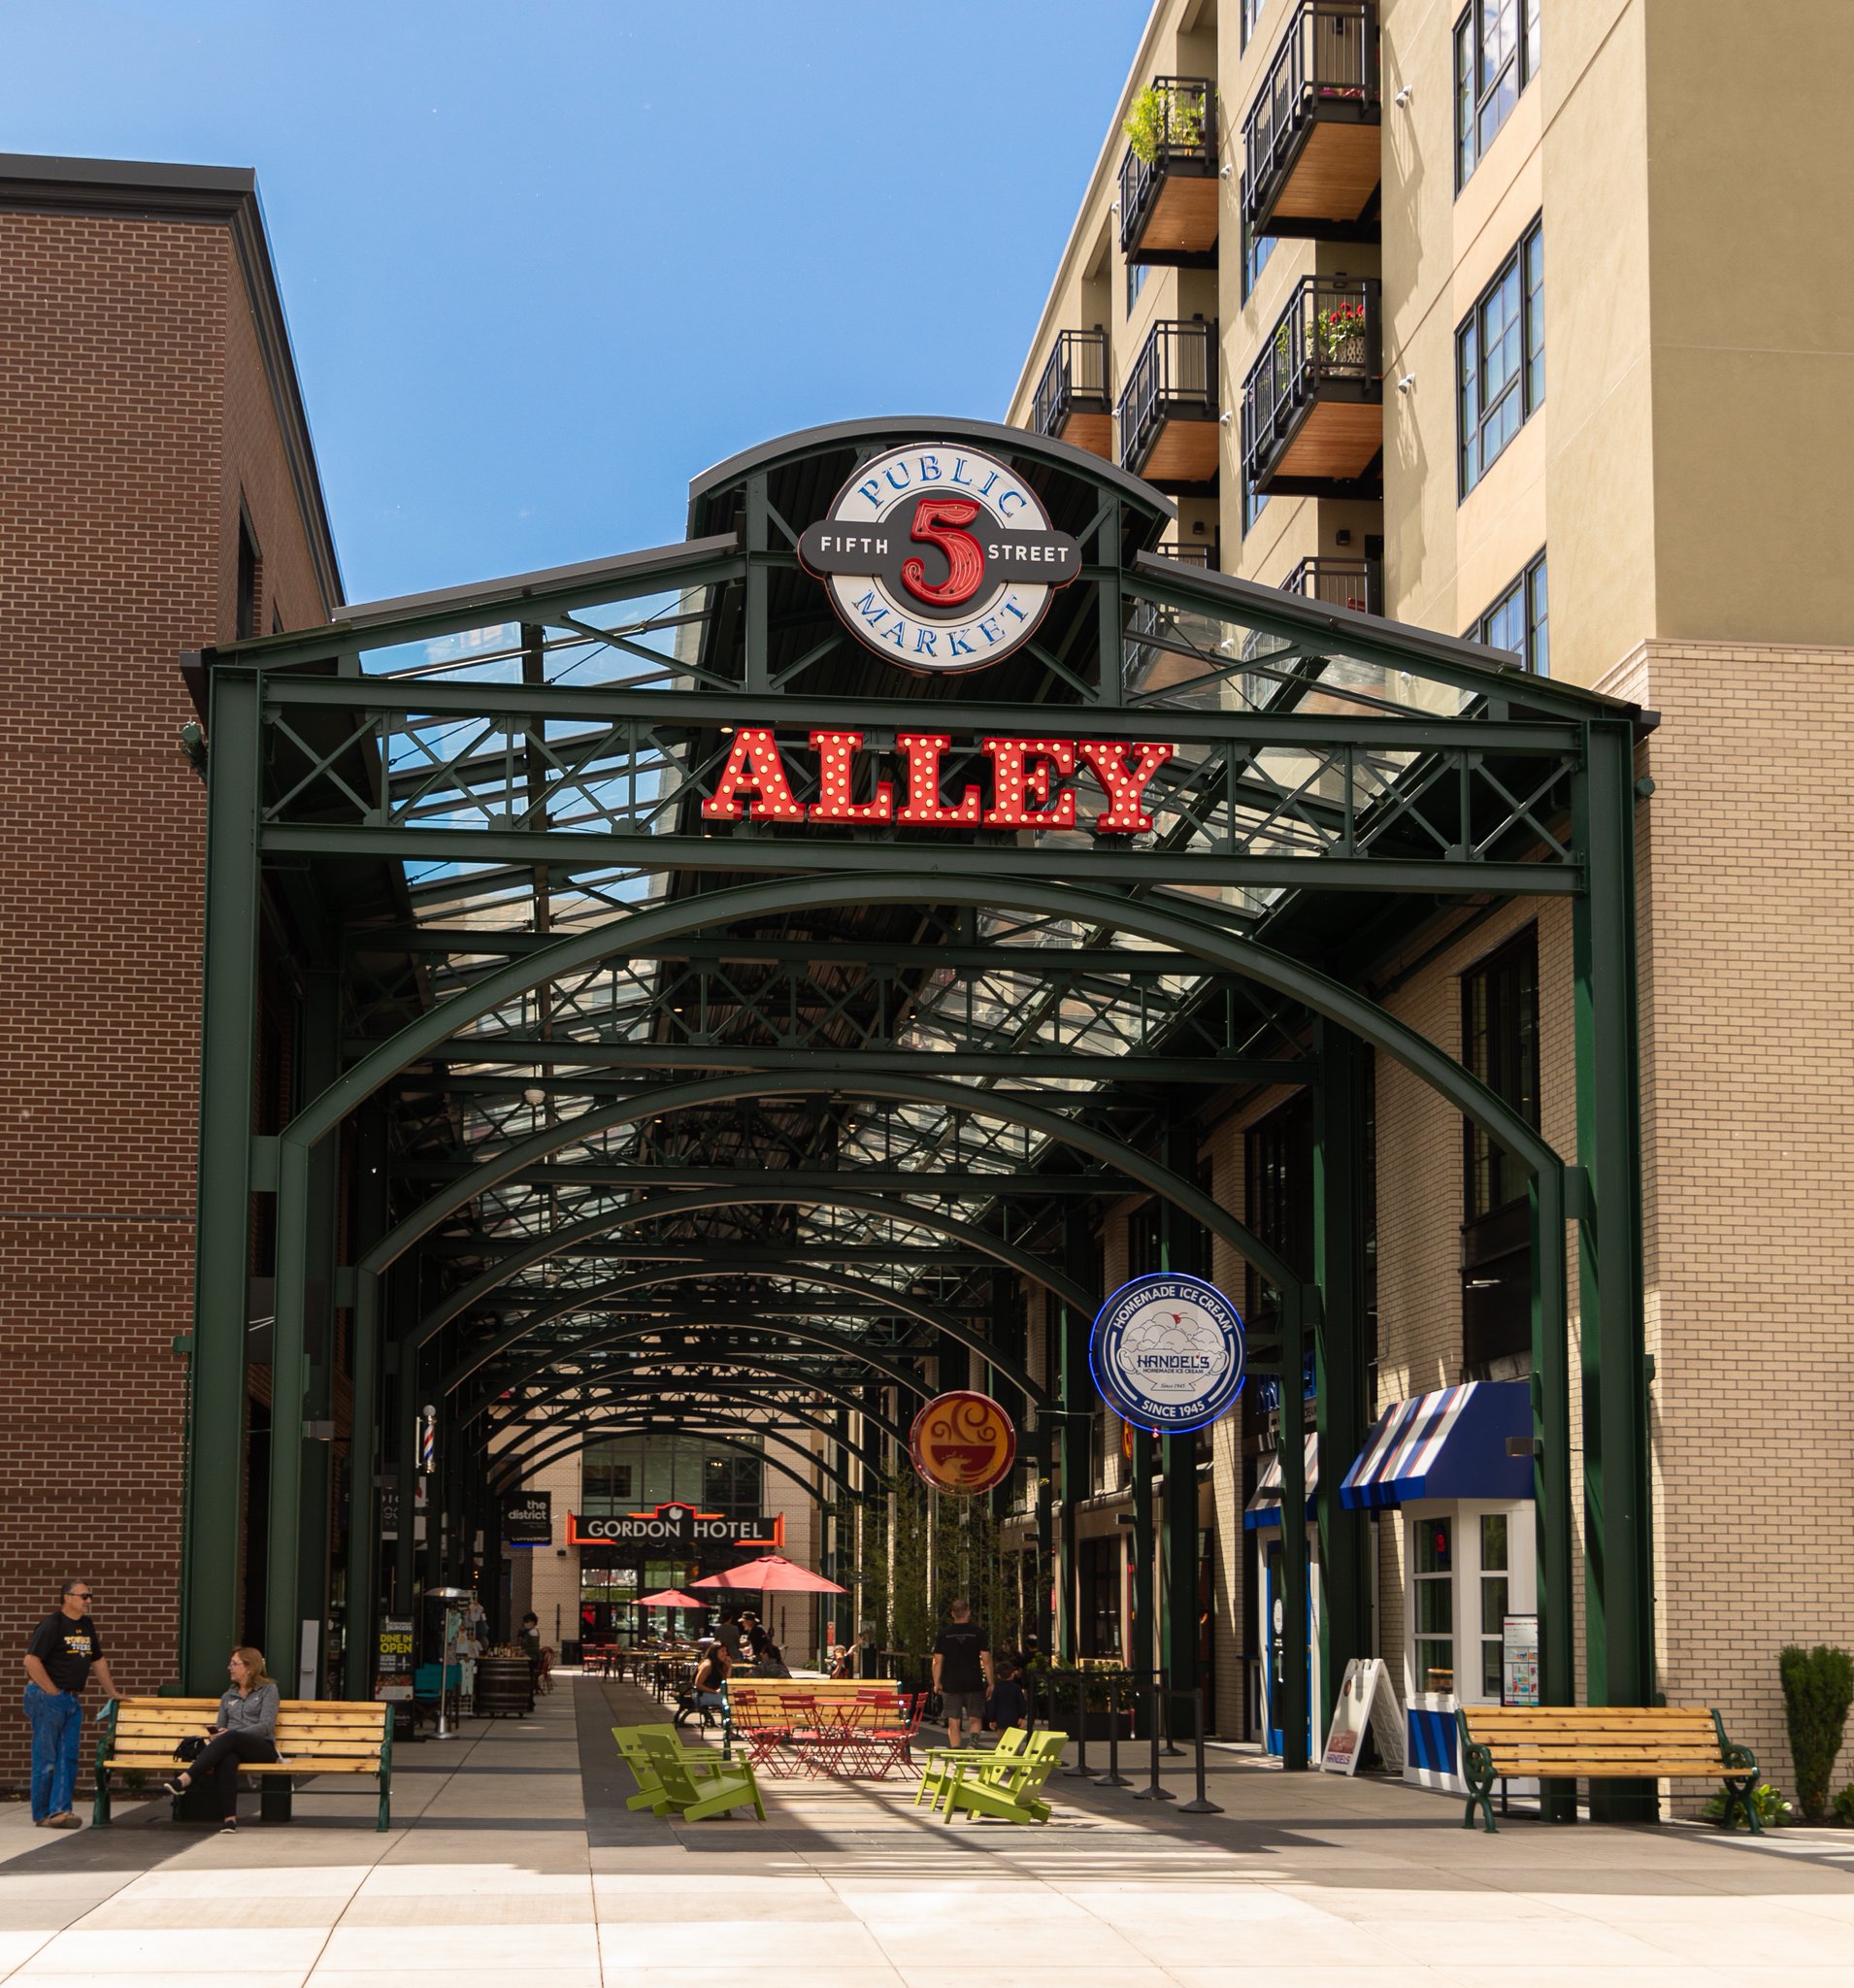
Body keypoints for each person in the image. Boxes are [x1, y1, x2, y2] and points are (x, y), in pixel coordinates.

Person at [22, 1578, 119, 1829]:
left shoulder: (86, 1625)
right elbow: (31, 1661)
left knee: (68, 1756)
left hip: (72, 1699)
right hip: (48, 1698)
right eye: (84, 1596)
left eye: (90, 1596)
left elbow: (98, 1660)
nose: (89, 1600)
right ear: (68, 1597)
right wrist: (53, 1692)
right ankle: (43, 1814)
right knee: (47, 1758)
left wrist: (112, 1693)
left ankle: (61, 1811)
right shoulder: (52, 1624)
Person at [160, 1646, 279, 1834]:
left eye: (234, 1664)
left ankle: (186, 1778)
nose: (229, 1667)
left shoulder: (268, 1690)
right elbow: (220, 1728)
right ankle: (229, 1819)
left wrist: (232, 1734)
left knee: (231, 1736)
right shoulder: (227, 1696)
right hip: (233, 1746)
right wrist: (216, 1734)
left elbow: (266, 1726)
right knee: (227, 1757)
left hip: (261, 1747)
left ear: (249, 1667)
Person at [930, 1599, 993, 1749]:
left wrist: (936, 1682)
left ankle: (956, 1751)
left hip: (951, 1682)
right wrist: (991, 1682)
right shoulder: (978, 1633)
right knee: (975, 1716)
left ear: (952, 1614)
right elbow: (986, 1660)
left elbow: (937, 1661)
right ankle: (972, 1743)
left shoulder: (944, 1634)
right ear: (969, 1612)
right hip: (974, 1681)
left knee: (953, 1719)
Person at [675, 1635, 731, 1728]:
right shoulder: (707, 1665)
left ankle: (729, 1725)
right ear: (715, 1652)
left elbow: (724, 1682)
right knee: (727, 1701)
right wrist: (715, 1691)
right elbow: (698, 1684)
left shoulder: (718, 1664)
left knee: (731, 1699)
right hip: (700, 1695)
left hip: (710, 1694)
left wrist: (728, 1668)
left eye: (726, 1651)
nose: (725, 1654)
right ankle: (729, 1728)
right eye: (722, 1651)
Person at [984, 1659, 1029, 1734]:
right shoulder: (1016, 1688)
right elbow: (1022, 1703)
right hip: (1015, 1720)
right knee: (1013, 1741)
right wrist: (1022, 1716)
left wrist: (991, 1719)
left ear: (998, 1676)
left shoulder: (997, 1688)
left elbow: (993, 1705)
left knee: (1002, 1741)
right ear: (1012, 1674)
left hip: (1000, 1721)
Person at [517, 1611, 542, 1694]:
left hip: (532, 1658)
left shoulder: (533, 1632)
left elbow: (534, 1647)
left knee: (528, 1675)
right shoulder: (530, 1631)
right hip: (531, 1657)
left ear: (533, 1622)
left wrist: (524, 1651)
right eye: (525, 1622)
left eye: (527, 1622)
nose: (525, 1624)